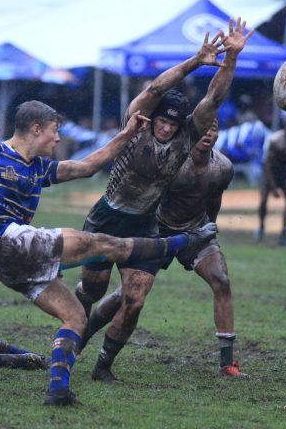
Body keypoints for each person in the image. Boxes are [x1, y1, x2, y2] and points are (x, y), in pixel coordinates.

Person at [0, 101, 217, 406]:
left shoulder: (39, 169)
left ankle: (58, 391)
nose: (57, 138)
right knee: (100, 242)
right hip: (8, 242)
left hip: (11, 263)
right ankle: (181, 243)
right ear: (35, 128)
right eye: (54, 130)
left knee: (76, 317)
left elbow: (88, 165)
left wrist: (128, 133)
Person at [73, 20, 253, 385]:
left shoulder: (189, 135)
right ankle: (71, 338)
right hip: (107, 217)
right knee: (92, 289)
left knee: (135, 300)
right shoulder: (138, 121)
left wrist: (230, 57)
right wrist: (195, 61)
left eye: (174, 124)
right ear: (153, 118)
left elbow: (213, 99)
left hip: (145, 225)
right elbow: (155, 87)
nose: (167, 128)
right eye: (163, 122)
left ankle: (103, 365)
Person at [81, 119, 244, 377]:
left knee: (221, 281)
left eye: (213, 128)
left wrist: (210, 228)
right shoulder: (172, 160)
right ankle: (84, 334)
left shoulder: (223, 167)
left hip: (196, 231)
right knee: (126, 296)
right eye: (204, 127)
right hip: (158, 231)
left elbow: (214, 198)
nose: (207, 133)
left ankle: (227, 363)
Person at [255, 116, 286, 246]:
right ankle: (261, 225)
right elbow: (267, 164)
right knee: (264, 199)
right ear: (285, 127)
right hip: (271, 172)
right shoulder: (275, 140)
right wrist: (274, 187)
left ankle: (284, 232)